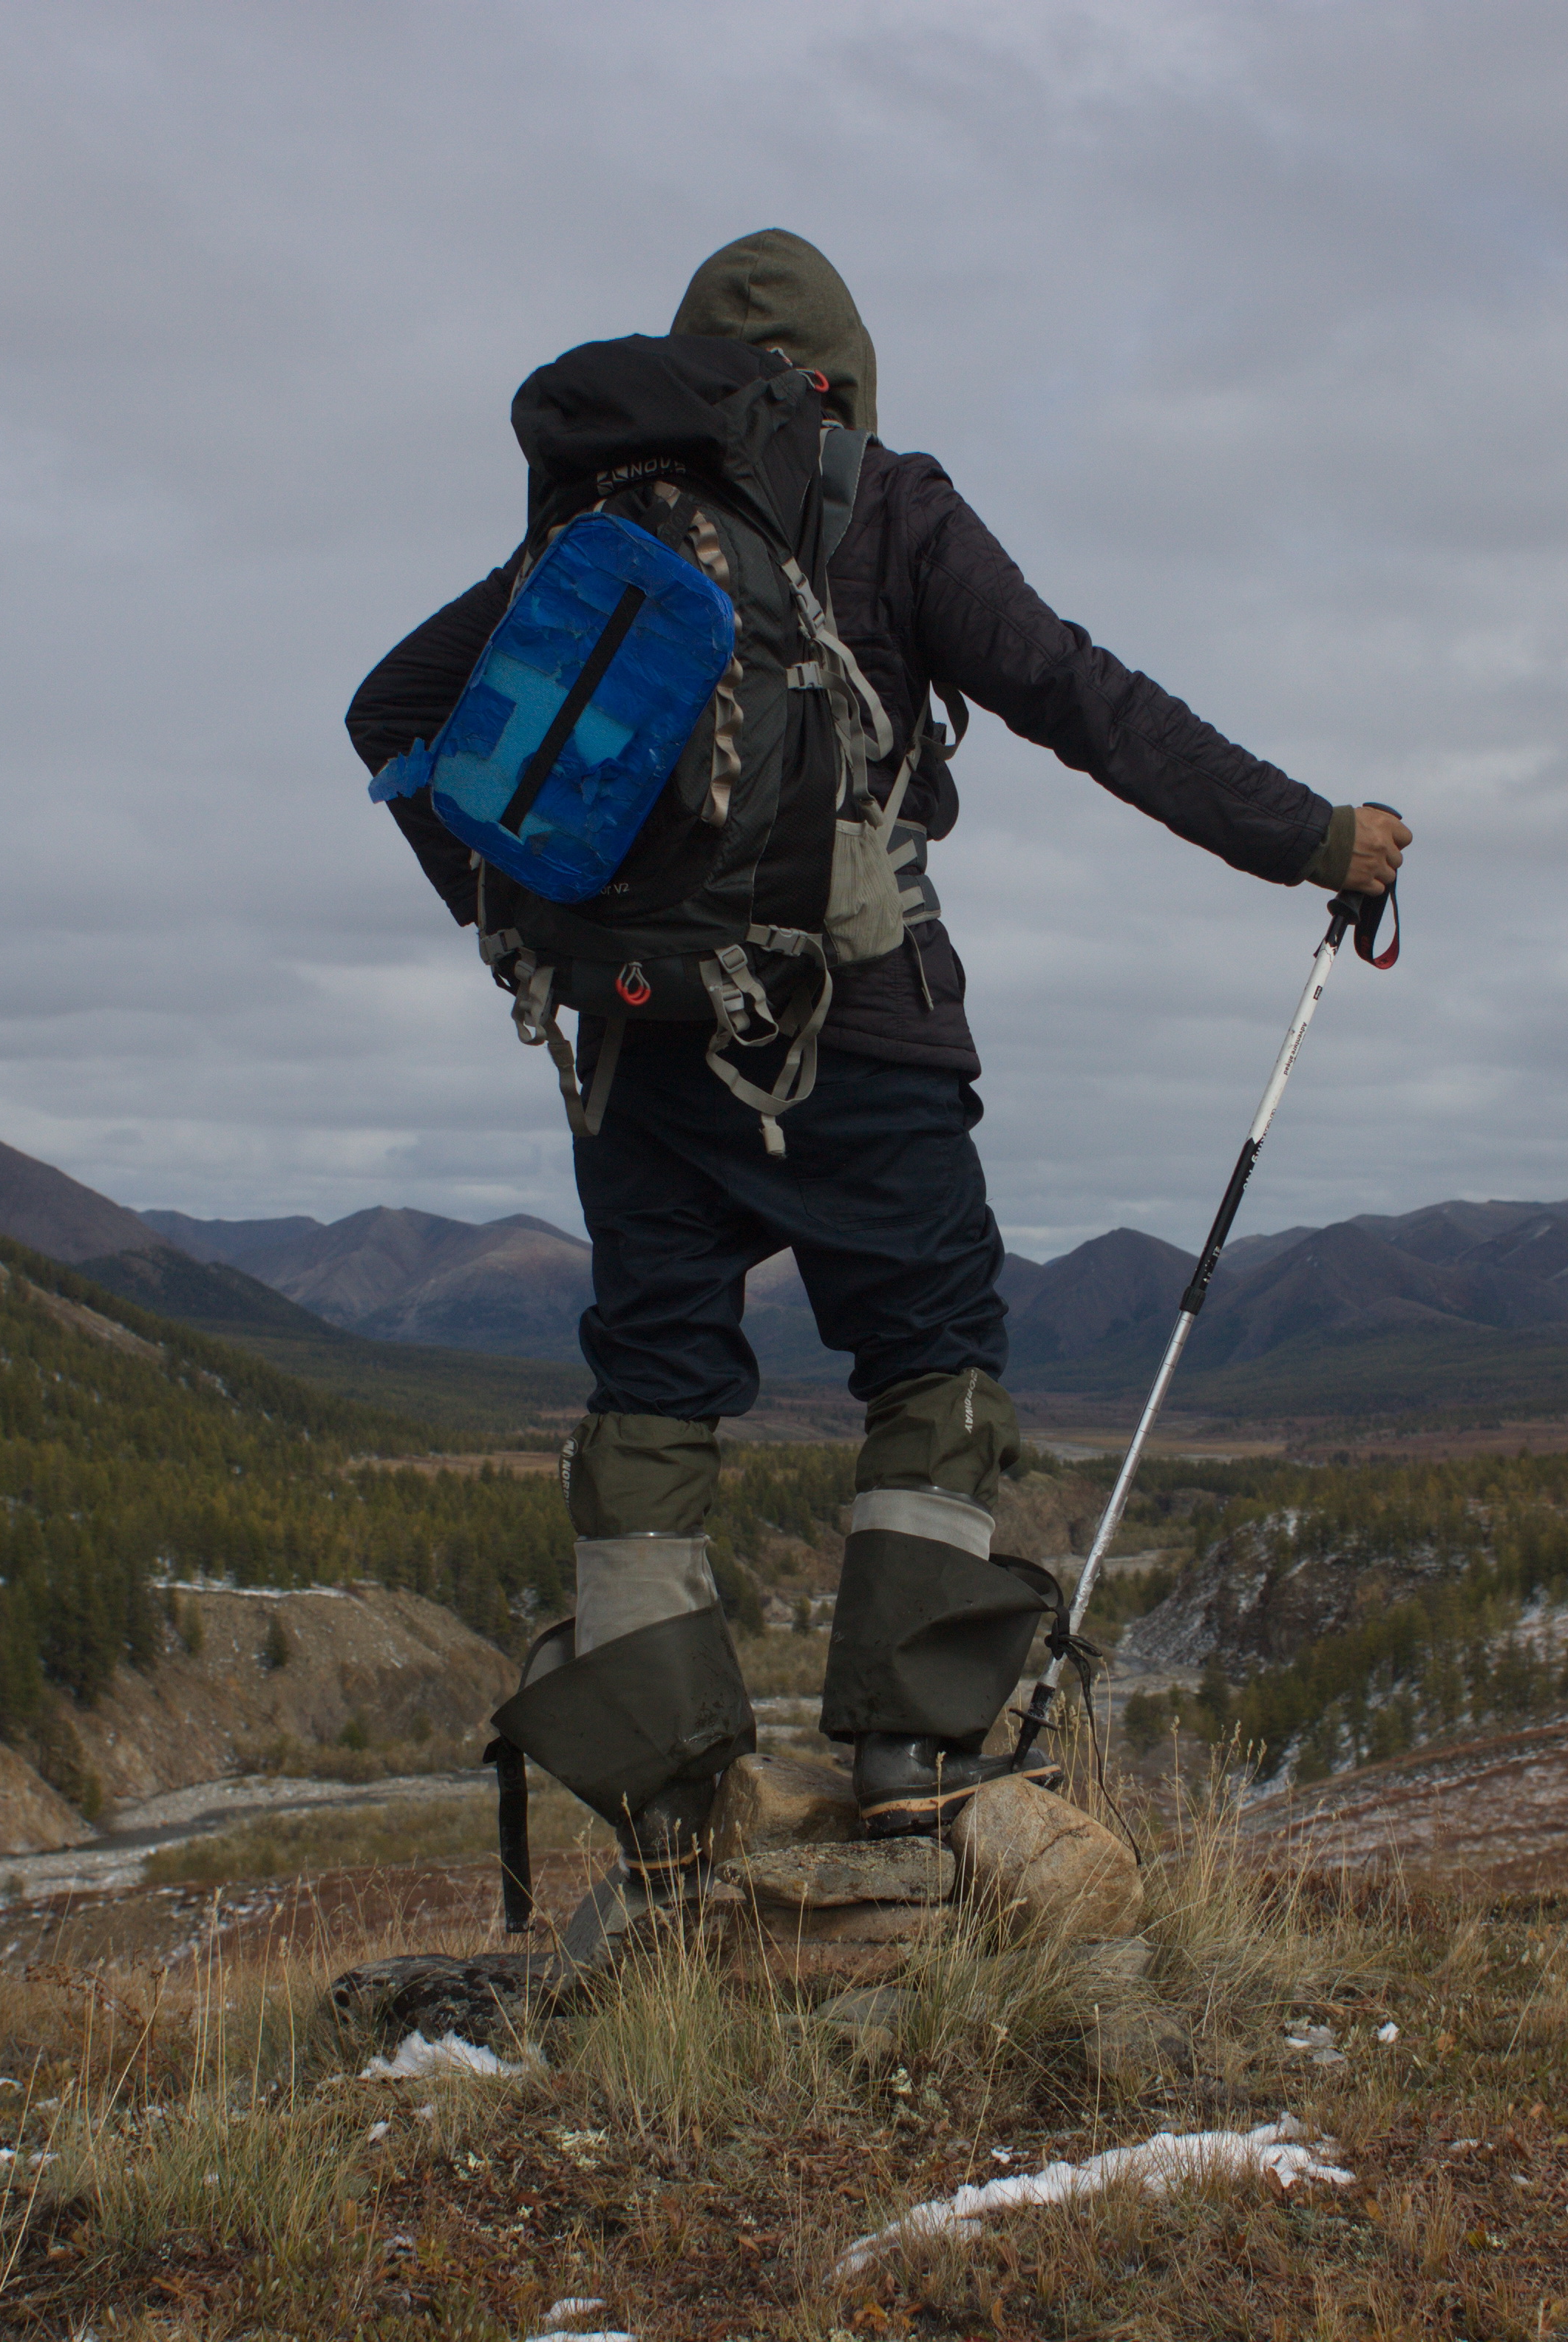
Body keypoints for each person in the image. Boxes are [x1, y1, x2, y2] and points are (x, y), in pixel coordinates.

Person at [347, 230, 1409, 1910]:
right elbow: (1080, 696)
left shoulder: (598, 531)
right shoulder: (888, 502)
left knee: (653, 1399)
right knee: (933, 1361)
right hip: (859, 1027)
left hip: (634, 1049)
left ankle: (683, 1811)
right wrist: (1316, 841)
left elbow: (390, 710)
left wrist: (525, 923)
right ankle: (911, 1760)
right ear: (843, 378)